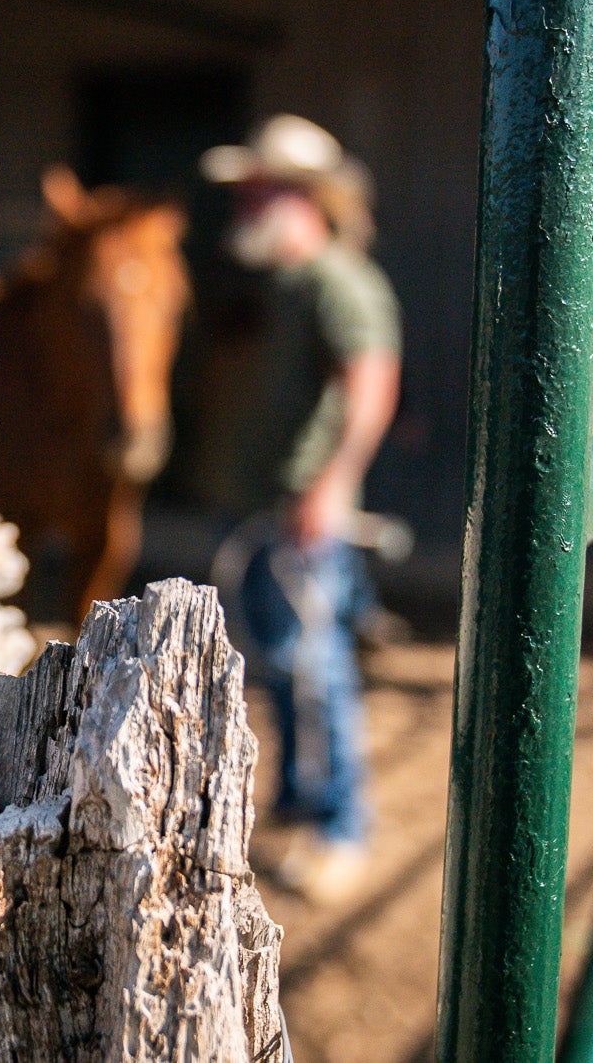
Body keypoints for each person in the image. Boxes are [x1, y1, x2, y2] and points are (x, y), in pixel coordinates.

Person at [201, 114, 402, 904]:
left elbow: (371, 383)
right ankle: (298, 801)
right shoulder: (277, 283)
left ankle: (343, 824)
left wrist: (331, 482)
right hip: (258, 504)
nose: (247, 204)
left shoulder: (338, 280)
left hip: (298, 511)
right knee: (280, 663)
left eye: (262, 190)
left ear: (305, 197)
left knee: (314, 668)